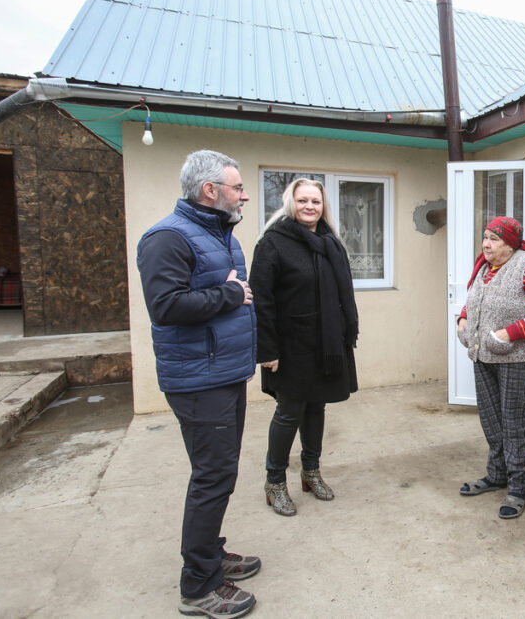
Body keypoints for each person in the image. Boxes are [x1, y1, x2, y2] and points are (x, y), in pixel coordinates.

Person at [137, 150, 260, 618]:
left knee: (221, 473)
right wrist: (228, 293)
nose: (244, 194)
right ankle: (198, 586)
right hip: (197, 379)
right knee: (211, 477)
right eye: (238, 187)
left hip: (225, 373)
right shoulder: (167, 238)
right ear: (211, 191)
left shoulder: (222, 235)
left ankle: (211, 554)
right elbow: (165, 306)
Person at [249, 178, 359, 517]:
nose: (310, 206)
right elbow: (262, 302)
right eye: (303, 200)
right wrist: (267, 351)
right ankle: (275, 482)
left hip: (325, 344)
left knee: (317, 408)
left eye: (316, 201)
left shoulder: (330, 242)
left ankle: (311, 472)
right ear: (290, 203)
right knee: (288, 413)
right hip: (291, 345)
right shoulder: (273, 243)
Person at [456, 216, 525, 519]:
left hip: (514, 359)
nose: (486, 244)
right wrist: (461, 319)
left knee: (512, 423)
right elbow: (474, 301)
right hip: (481, 356)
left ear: (510, 244)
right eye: (485, 237)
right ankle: (496, 474)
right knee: (490, 419)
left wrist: (506, 334)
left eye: (494, 239)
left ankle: (516, 486)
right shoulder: (484, 268)